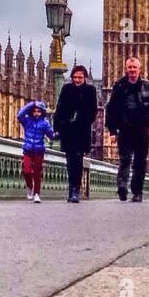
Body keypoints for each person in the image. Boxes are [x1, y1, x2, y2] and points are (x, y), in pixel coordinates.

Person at [105, 55, 149, 202]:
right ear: (126, 69)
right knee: (124, 160)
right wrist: (112, 131)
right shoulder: (119, 86)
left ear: (139, 69)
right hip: (125, 129)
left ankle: (137, 191)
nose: (132, 70)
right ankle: (122, 187)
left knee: (139, 162)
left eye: (134, 67)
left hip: (142, 129)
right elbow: (111, 109)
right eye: (129, 67)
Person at [53, 65, 99, 204]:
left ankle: (75, 190)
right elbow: (59, 108)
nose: (77, 80)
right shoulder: (66, 89)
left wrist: (82, 120)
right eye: (75, 77)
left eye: (80, 77)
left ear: (84, 78)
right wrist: (57, 127)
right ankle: (72, 188)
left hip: (81, 130)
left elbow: (93, 111)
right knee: (70, 161)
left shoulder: (90, 90)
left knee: (78, 160)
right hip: (68, 130)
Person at [17, 99, 55, 203]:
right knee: (27, 171)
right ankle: (29, 187)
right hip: (28, 150)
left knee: (37, 174)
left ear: (42, 112)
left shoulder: (45, 123)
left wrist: (59, 134)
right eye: (34, 111)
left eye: (38, 111)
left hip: (39, 151)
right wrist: (31, 104)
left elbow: (51, 136)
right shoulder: (27, 121)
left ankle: (36, 194)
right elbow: (19, 115)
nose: (36, 113)